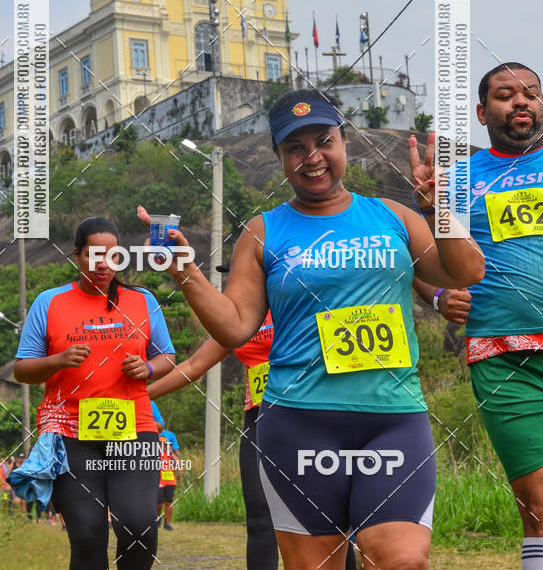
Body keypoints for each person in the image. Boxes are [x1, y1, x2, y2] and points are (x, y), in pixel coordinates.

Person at [138, 90, 484, 570]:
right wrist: (185, 271)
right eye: (295, 148)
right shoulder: (262, 231)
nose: (312, 157)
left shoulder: (393, 216)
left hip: (392, 418)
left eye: (323, 141)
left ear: (344, 143)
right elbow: (235, 327)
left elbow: (466, 272)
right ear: (280, 158)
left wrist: (437, 208)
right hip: (300, 422)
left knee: (402, 560)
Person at [413, 62, 543, 570]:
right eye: (506, 95)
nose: (521, 101)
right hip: (503, 356)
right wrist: (437, 297)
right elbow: (417, 259)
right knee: (537, 503)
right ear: (482, 112)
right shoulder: (458, 179)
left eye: (531, 93)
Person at [13, 216, 175, 570]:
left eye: (112, 255)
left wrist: (147, 368)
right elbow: (22, 369)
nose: (103, 264)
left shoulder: (142, 300)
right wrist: (58, 360)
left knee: (138, 527)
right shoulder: (49, 302)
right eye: (94, 255)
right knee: (87, 535)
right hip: (70, 434)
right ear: (77, 255)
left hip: (134, 429)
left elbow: (167, 357)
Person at [147, 314, 282, 568]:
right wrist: (141, 396)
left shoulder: (304, 293)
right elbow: (193, 365)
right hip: (258, 419)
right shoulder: (243, 315)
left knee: (324, 518)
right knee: (259, 518)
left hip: (309, 412)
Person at [155, 423, 180, 530]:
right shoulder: (154, 454)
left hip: (170, 481)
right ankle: (157, 519)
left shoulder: (170, 454)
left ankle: (167, 523)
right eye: (160, 443)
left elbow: (177, 462)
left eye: (164, 444)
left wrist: (179, 470)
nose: (162, 445)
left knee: (169, 502)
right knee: (159, 503)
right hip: (159, 481)